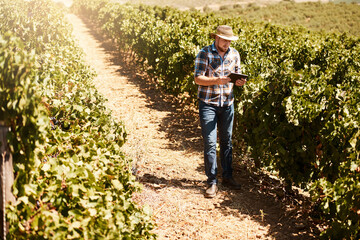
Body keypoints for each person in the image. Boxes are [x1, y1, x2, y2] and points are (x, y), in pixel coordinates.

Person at [194, 25, 246, 198]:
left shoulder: (235, 54)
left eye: (229, 40)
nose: (227, 43)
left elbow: (237, 74)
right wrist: (217, 80)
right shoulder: (204, 53)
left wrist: (239, 82)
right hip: (208, 103)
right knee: (210, 143)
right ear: (216, 38)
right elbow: (197, 79)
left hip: (227, 104)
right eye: (224, 40)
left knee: (227, 141)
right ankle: (211, 182)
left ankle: (227, 177)